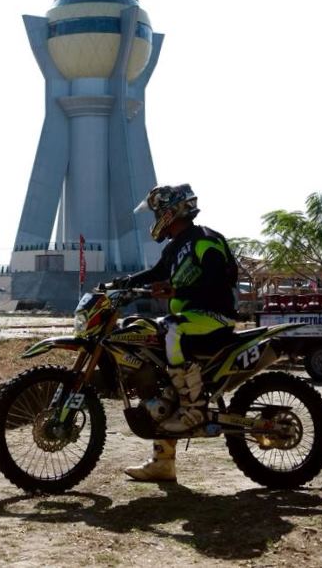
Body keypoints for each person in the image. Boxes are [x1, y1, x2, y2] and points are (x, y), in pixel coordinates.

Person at [113, 183, 238, 481]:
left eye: (157, 212)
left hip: (213, 316)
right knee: (158, 373)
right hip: (190, 318)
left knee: (170, 327)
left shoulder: (204, 239)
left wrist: (177, 288)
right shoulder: (176, 246)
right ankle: (163, 462)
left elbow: (218, 276)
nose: (155, 219)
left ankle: (193, 406)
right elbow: (156, 273)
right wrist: (120, 284)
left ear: (170, 212)